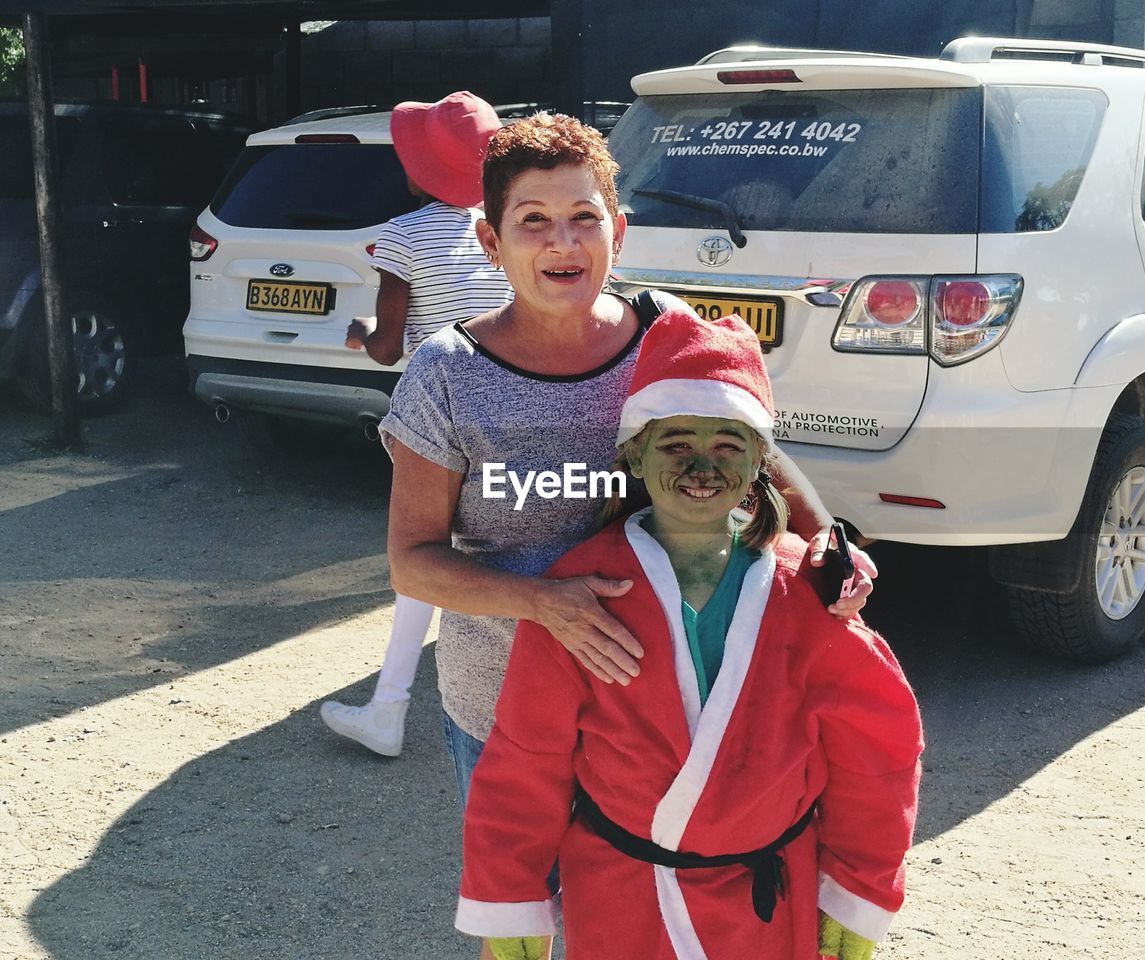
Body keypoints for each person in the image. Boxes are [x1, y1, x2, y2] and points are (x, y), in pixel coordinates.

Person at [378, 112, 877, 817]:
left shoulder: (664, 331)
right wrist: (545, 605)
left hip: (663, 699)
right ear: (491, 240)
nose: (562, 241)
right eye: (532, 220)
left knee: (641, 920)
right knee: (521, 913)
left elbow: (753, 456)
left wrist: (828, 541)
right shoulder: (447, 375)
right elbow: (413, 562)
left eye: (585, 217)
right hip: (507, 708)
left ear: (619, 229)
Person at [454, 310, 923, 960]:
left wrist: (859, 882)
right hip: (622, 898)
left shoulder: (803, 590)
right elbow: (526, 757)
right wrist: (509, 897)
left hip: (768, 904)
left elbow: (874, 751)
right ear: (635, 452)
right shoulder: (585, 586)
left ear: (761, 456)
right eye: (676, 444)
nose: (701, 465)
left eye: (727, 445)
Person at [320, 92, 511, 757]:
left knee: (425, 560)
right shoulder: (514, 226)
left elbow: (389, 345)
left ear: (418, 169)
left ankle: (389, 708)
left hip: (437, 421)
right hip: (515, 409)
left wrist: (358, 334)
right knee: (493, 556)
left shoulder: (402, 236)